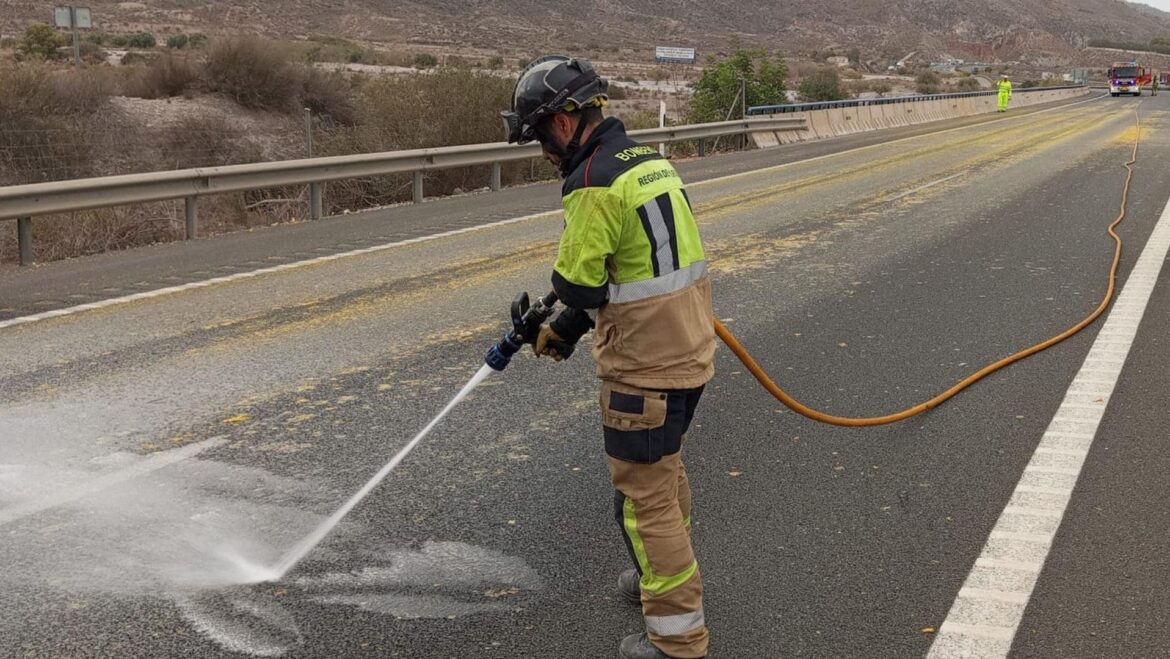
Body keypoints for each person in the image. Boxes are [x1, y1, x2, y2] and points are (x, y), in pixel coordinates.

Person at [502, 55, 716, 659]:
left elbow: (578, 283)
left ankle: (677, 640)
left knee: (646, 499)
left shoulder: (592, 181)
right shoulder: (647, 161)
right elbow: (624, 272)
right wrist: (565, 331)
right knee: (664, 475)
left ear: (564, 122)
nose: (544, 152)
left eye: (540, 136)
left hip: (645, 367)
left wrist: (554, 317)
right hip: (688, 350)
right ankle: (662, 579)